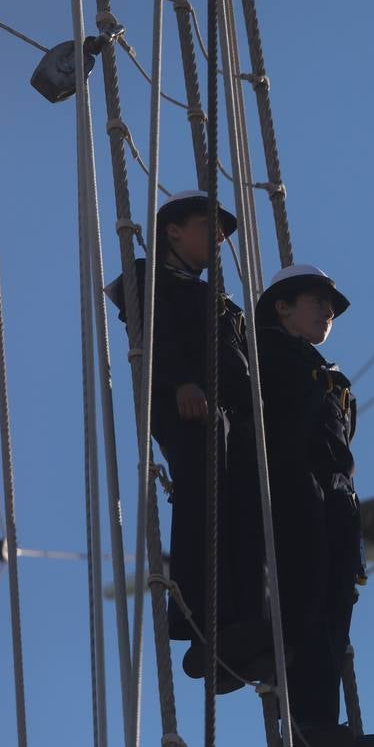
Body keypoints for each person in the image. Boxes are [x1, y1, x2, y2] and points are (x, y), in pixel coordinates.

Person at [107, 190, 268, 694]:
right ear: (173, 230)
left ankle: (238, 626)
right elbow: (150, 334)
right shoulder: (146, 279)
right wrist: (179, 382)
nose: (219, 238)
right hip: (188, 404)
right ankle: (198, 617)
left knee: (244, 511)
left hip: (231, 416)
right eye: (209, 226)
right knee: (203, 494)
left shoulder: (215, 298)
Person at [255, 265, 374, 747]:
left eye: (331, 308)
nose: (328, 312)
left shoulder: (329, 376)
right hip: (293, 487)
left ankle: (315, 734)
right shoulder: (262, 354)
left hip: (334, 501)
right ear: (281, 307)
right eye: (316, 301)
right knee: (306, 600)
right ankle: (309, 724)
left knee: (335, 611)